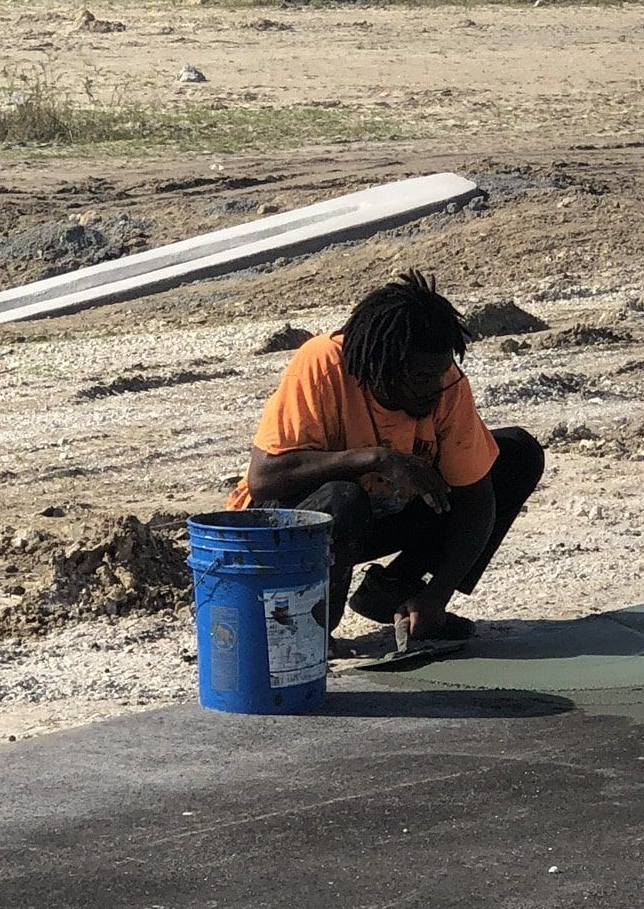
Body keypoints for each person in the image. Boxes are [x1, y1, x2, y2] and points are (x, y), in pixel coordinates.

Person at [229, 272, 544, 644]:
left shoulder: (445, 385)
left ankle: (397, 593)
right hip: (291, 527)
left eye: (441, 373)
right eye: (421, 377)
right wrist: (376, 459)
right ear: (382, 367)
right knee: (341, 496)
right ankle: (310, 631)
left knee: (515, 455)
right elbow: (265, 479)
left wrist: (437, 595)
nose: (435, 388)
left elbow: (477, 501)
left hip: (380, 517)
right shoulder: (323, 364)